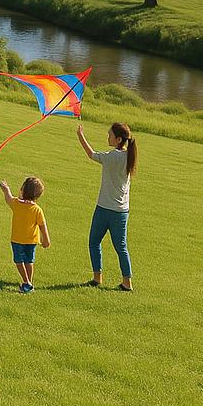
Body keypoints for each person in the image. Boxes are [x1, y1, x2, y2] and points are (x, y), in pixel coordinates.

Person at [77, 122, 138, 291]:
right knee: (121, 247)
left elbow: (91, 154)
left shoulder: (112, 157)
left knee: (94, 242)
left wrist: (80, 135)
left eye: (110, 135)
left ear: (118, 139)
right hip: (121, 212)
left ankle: (98, 278)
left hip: (104, 209)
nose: (107, 137)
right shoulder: (129, 156)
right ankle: (127, 282)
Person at [0, 177, 50, 293]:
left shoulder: (16, 204)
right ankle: (28, 281)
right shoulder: (37, 209)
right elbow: (43, 226)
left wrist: (6, 189)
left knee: (19, 261)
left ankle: (26, 282)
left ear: (22, 190)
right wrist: (46, 240)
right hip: (31, 241)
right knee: (29, 261)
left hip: (17, 240)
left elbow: (8, 198)